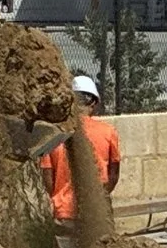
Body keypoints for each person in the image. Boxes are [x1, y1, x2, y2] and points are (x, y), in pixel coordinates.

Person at [40, 74, 121, 221]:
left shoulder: (53, 135)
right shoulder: (108, 132)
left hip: (63, 212)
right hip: (97, 212)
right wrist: (100, 199)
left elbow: (47, 175)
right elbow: (113, 175)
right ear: (94, 103)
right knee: (100, 244)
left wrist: (58, 199)